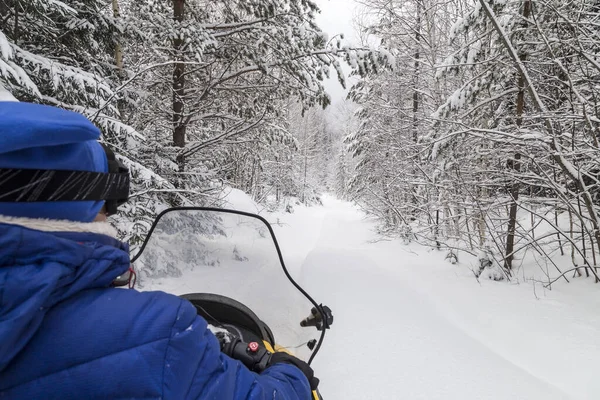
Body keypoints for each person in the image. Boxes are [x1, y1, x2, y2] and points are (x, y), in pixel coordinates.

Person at [0, 102, 317, 399]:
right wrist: (292, 374)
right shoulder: (157, 332)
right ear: (68, 208)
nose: (110, 216)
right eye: (103, 205)